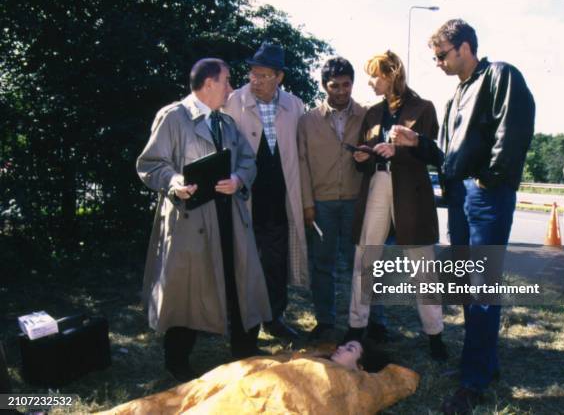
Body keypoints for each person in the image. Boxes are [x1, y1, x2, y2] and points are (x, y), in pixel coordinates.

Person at [136, 58, 271, 381]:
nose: (231, 88)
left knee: (240, 277)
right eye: (226, 81)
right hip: (189, 220)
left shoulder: (226, 123)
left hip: (229, 217)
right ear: (209, 83)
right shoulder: (172, 118)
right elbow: (151, 164)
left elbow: (248, 162)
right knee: (185, 287)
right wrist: (174, 182)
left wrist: (238, 179)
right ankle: (178, 359)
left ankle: (244, 347)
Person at [427, 19, 535, 414]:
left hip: (485, 196)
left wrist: (489, 180)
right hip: (460, 197)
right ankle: (484, 365)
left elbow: (515, 129)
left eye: (442, 55)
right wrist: (420, 144)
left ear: (465, 47)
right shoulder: (456, 95)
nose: (437, 62)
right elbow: (449, 157)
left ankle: (472, 383)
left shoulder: (500, 75)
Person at [345, 50, 447, 360]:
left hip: (411, 190)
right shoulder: (372, 113)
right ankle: (355, 327)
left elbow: (434, 154)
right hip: (377, 183)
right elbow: (367, 152)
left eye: (375, 75)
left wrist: (401, 149)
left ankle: (435, 336)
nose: (370, 81)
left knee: (422, 264)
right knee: (365, 256)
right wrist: (362, 157)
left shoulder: (424, 108)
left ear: (392, 75)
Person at [298, 57, 388, 342]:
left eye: (346, 84)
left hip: (356, 202)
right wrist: (307, 203)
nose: (340, 91)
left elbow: (380, 154)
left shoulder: (368, 114)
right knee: (322, 265)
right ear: (324, 85)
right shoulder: (307, 120)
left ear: (353, 84)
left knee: (362, 264)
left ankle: (374, 322)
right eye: (334, 85)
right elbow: (301, 163)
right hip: (321, 204)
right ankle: (325, 321)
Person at [224, 43, 307, 340]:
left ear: (279, 77)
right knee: (244, 265)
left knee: (275, 264)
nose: (254, 80)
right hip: (244, 200)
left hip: (279, 201)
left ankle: (274, 318)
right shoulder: (233, 101)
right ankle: (244, 327)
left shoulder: (295, 106)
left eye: (262, 75)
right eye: (252, 74)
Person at [98, 340, 420, 415]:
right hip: (245, 380)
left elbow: (394, 383)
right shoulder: (307, 357)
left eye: (350, 348)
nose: (340, 349)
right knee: (184, 396)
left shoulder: (353, 384)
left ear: (361, 367)